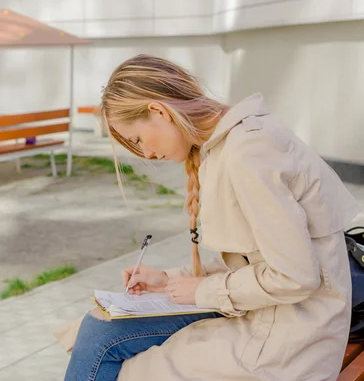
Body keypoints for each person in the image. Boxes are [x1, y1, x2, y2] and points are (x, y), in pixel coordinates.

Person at [55, 54, 362, 380]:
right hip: (270, 316)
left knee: (121, 363)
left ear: (159, 111)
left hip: (286, 341)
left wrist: (201, 291)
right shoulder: (231, 144)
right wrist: (169, 280)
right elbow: (257, 261)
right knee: (97, 327)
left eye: (138, 140)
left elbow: (295, 276)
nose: (145, 154)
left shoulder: (247, 152)